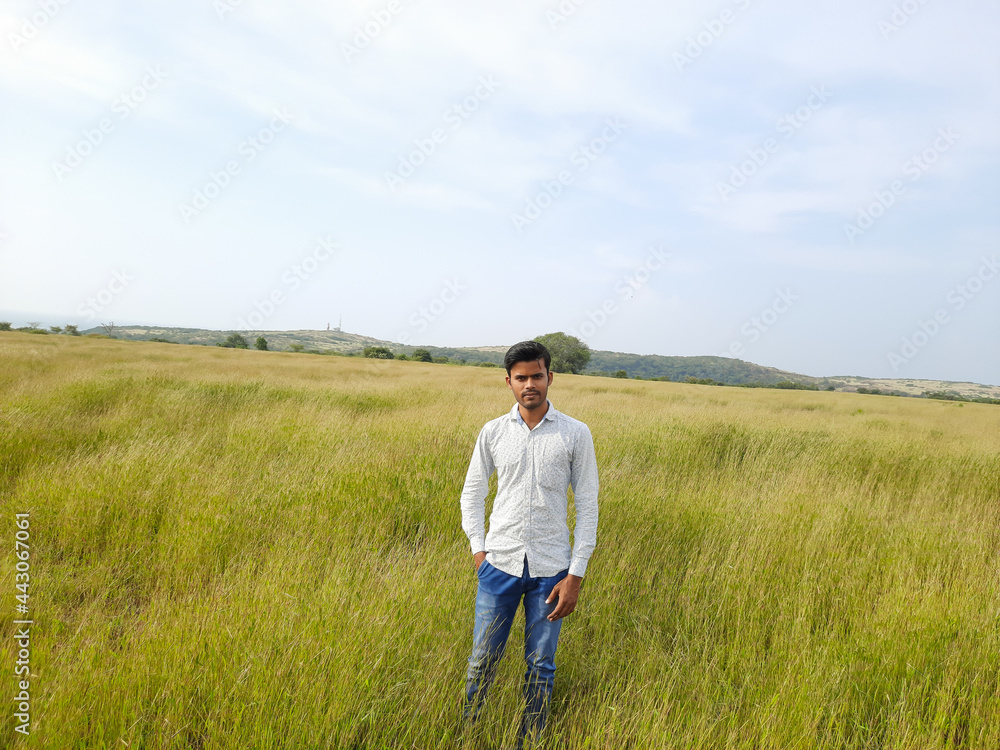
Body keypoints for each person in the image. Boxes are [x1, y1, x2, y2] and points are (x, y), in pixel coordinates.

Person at [459, 340, 599, 747]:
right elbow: (472, 493)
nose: (530, 384)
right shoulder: (493, 432)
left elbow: (588, 506)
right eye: (521, 378)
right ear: (508, 382)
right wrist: (479, 551)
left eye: (537, 375)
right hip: (498, 566)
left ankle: (530, 739)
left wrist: (575, 575)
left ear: (550, 377)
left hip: (552, 571)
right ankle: (468, 732)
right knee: (482, 661)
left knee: (541, 664)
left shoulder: (576, 433)